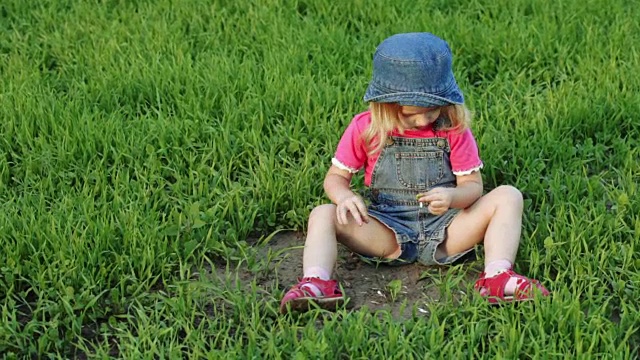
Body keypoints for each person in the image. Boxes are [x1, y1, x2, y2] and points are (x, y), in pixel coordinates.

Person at [280, 32, 550, 314]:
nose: (423, 120)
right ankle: (317, 282)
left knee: (508, 196)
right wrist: (345, 196)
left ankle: (496, 276)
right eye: (411, 114)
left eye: (432, 110)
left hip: (446, 229)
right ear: (386, 104)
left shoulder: (452, 129)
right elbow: (335, 178)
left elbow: (473, 186)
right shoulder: (366, 128)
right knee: (322, 213)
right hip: (386, 232)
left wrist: (453, 196)